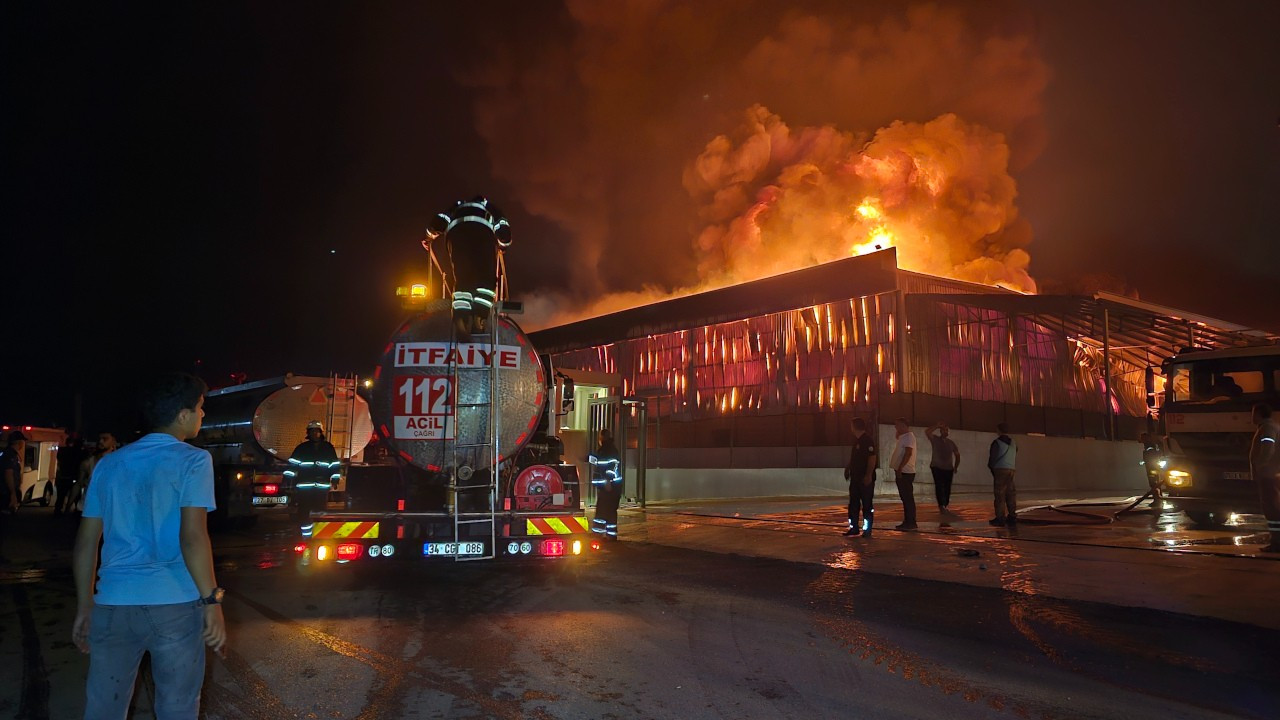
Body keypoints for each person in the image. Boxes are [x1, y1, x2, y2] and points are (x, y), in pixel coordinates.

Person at [72, 372, 226, 718]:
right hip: (174, 604)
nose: (203, 415)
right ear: (183, 415)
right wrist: (211, 600)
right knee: (177, 706)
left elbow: (85, 544)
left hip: (113, 604)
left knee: (103, 708)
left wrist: (85, 607)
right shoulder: (193, 460)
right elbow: (192, 537)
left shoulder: (109, 464)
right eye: (201, 408)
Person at [426, 195, 512, 342]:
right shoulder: (488, 206)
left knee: (463, 277)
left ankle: (461, 317)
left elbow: (440, 221)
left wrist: (429, 236)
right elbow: (502, 226)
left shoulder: (457, 206)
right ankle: (480, 316)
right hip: (483, 235)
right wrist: (503, 244)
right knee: (486, 278)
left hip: (457, 236)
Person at [286, 420, 341, 526]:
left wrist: (335, 478)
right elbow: (292, 465)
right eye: (312, 431)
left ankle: (318, 536)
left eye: (317, 431)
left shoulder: (328, 447)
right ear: (308, 433)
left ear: (321, 432)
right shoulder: (302, 448)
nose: (315, 434)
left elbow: (334, 464)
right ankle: (306, 537)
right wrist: (288, 480)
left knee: (320, 513)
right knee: (304, 513)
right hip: (304, 488)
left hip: (321, 487)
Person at [1248, 403, 1280, 553]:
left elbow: (1268, 449)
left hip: (1268, 475)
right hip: (1271, 473)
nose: (1251, 416)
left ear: (1259, 413)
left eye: (1253, 413)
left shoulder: (1267, 429)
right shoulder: (1270, 427)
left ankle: (1276, 542)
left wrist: (1260, 466)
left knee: (1271, 508)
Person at [843, 417, 878, 537]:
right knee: (853, 504)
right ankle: (854, 528)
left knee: (867, 504)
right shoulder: (857, 441)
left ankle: (867, 530)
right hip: (855, 478)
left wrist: (868, 475)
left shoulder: (867, 440)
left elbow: (872, 458)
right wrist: (848, 468)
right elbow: (855, 459)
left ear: (854, 427)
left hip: (864, 479)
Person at [589, 429, 622, 540]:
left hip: (609, 487)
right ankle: (611, 535)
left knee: (603, 510)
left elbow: (611, 466)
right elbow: (599, 461)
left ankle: (599, 534)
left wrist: (608, 481)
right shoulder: (606, 449)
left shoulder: (608, 450)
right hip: (611, 487)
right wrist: (586, 458)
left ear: (602, 437)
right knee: (610, 511)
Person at [74, 432, 119, 512]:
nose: (100, 441)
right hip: (87, 510)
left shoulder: (119, 464)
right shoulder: (87, 463)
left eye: (105, 439)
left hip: (108, 513)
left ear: (113, 442)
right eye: (99, 439)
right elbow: (78, 484)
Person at [0, 431, 26, 561]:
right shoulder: (10, 455)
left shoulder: (9, 454)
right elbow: (9, 474)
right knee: (3, 524)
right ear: (19, 442)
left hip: (5, 492)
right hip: (4, 494)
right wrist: (13, 494)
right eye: (22, 441)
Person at [926, 422, 961, 513]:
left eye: (946, 430)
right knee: (939, 486)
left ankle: (945, 504)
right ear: (940, 431)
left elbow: (957, 455)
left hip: (948, 468)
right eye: (943, 430)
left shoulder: (951, 443)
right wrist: (937, 426)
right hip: (937, 467)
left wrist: (956, 466)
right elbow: (927, 432)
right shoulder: (935, 439)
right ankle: (941, 505)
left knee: (947, 487)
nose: (945, 432)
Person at [988, 423, 1018, 527]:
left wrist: (992, 468)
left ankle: (1000, 518)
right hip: (1011, 469)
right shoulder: (1013, 443)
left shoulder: (997, 443)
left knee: (1000, 495)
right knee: (1010, 494)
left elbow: (992, 458)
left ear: (998, 430)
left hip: (1000, 470)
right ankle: (1012, 516)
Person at [890, 418, 918, 530]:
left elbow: (908, 453)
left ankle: (910, 522)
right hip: (903, 471)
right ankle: (908, 521)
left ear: (903, 425)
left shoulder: (909, 437)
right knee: (905, 498)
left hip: (905, 471)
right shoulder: (904, 437)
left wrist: (900, 468)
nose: (896, 428)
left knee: (907, 498)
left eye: (897, 425)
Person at [54, 433, 85, 515]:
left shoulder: (63, 451)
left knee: (61, 496)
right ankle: (75, 510)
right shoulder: (79, 452)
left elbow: (60, 460)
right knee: (75, 495)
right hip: (72, 476)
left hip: (65, 476)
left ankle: (58, 510)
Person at [1140, 432, 1164, 509]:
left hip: (1151, 468)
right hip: (1152, 467)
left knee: (1154, 484)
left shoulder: (1150, 447)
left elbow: (1151, 456)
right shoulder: (1150, 446)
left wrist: (1146, 461)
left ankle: (1157, 500)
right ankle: (1159, 499)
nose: (1142, 440)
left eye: (1143, 438)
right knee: (1156, 484)